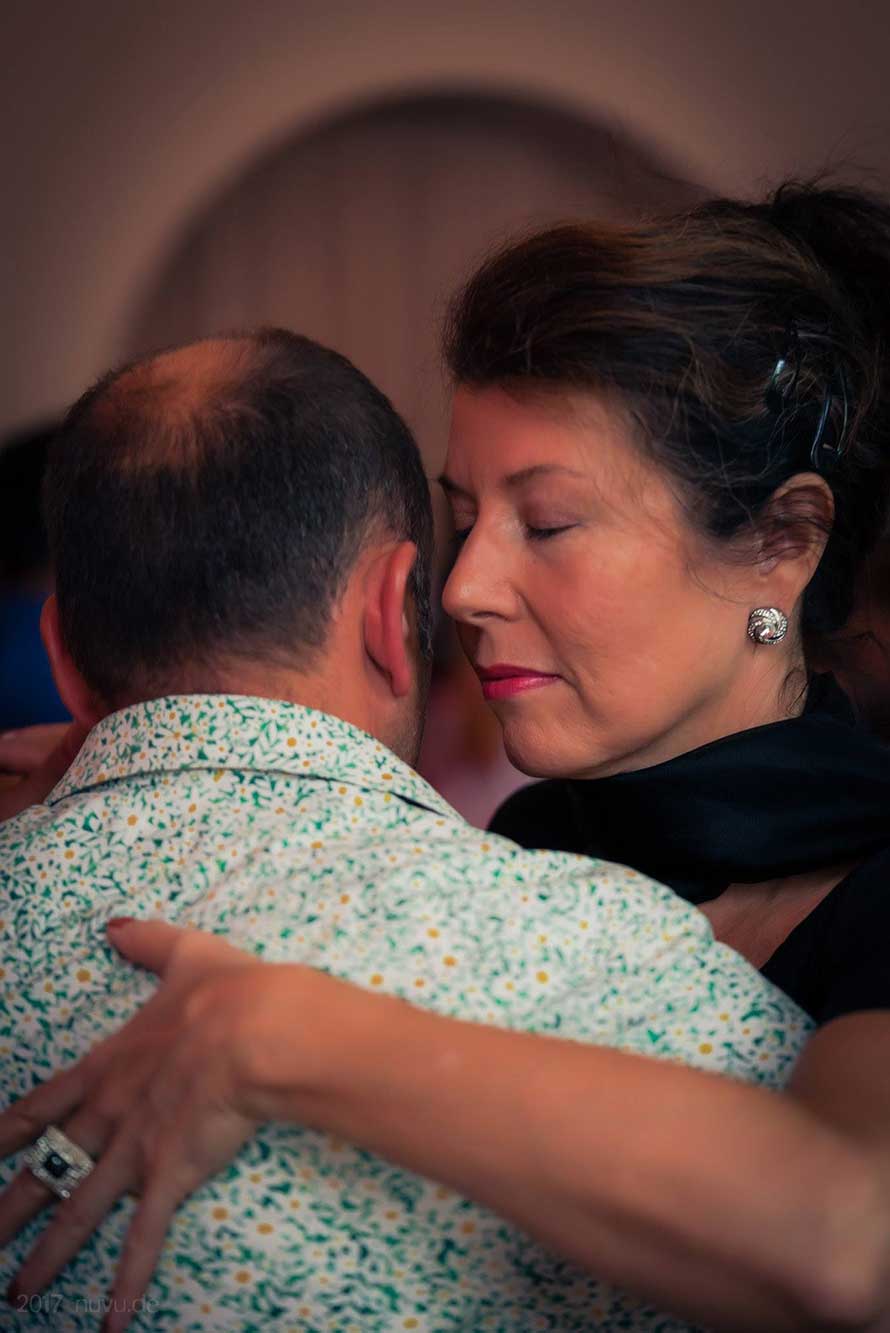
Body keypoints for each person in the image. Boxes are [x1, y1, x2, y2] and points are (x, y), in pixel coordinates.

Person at [0, 329, 835, 1333]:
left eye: (548, 521)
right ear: (391, 613)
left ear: (59, 653)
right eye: (464, 523)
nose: (463, 589)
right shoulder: (602, 955)